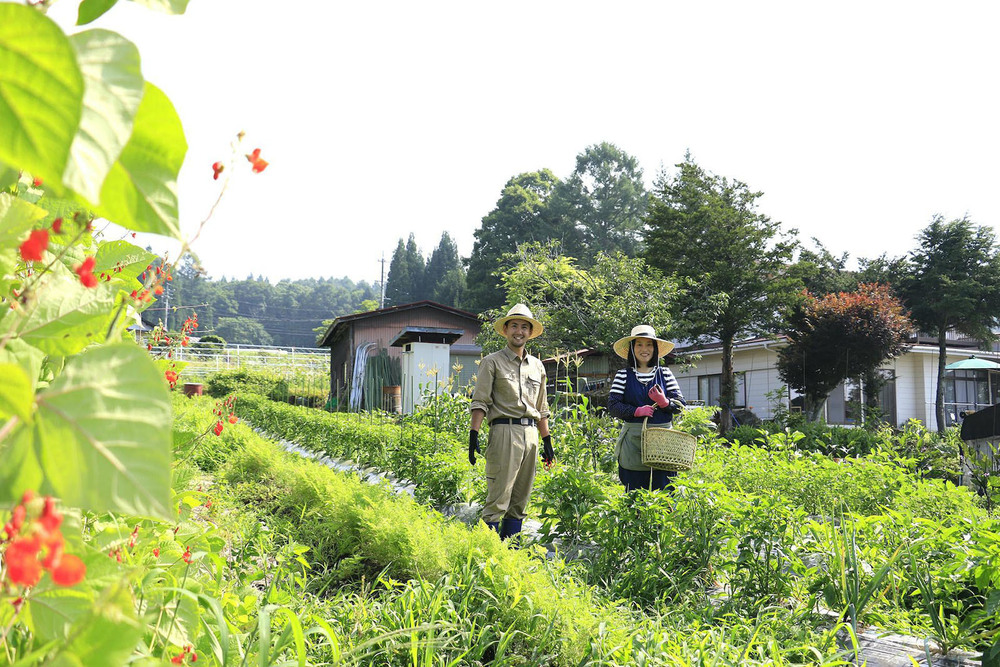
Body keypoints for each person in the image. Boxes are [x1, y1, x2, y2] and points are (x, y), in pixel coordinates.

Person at [468, 304, 554, 539]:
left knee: (520, 501)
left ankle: (511, 553)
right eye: (514, 326)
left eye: (524, 327)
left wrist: (547, 442)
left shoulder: (537, 366)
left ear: (529, 332)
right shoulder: (492, 362)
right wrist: (473, 435)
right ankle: (488, 553)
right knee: (498, 499)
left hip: (531, 436)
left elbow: (542, 408)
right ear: (505, 330)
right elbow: (480, 402)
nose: (519, 331)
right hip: (504, 432)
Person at [606, 325, 685, 492]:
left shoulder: (665, 373)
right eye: (639, 344)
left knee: (665, 492)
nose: (644, 349)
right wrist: (636, 411)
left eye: (649, 344)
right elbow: (613, 406)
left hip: (663, 442)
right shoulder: (623, 375)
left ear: (655, 348)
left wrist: (664, 402)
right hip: (633, 441)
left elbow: (680, 405)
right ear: (632, 349)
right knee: (634, 493)